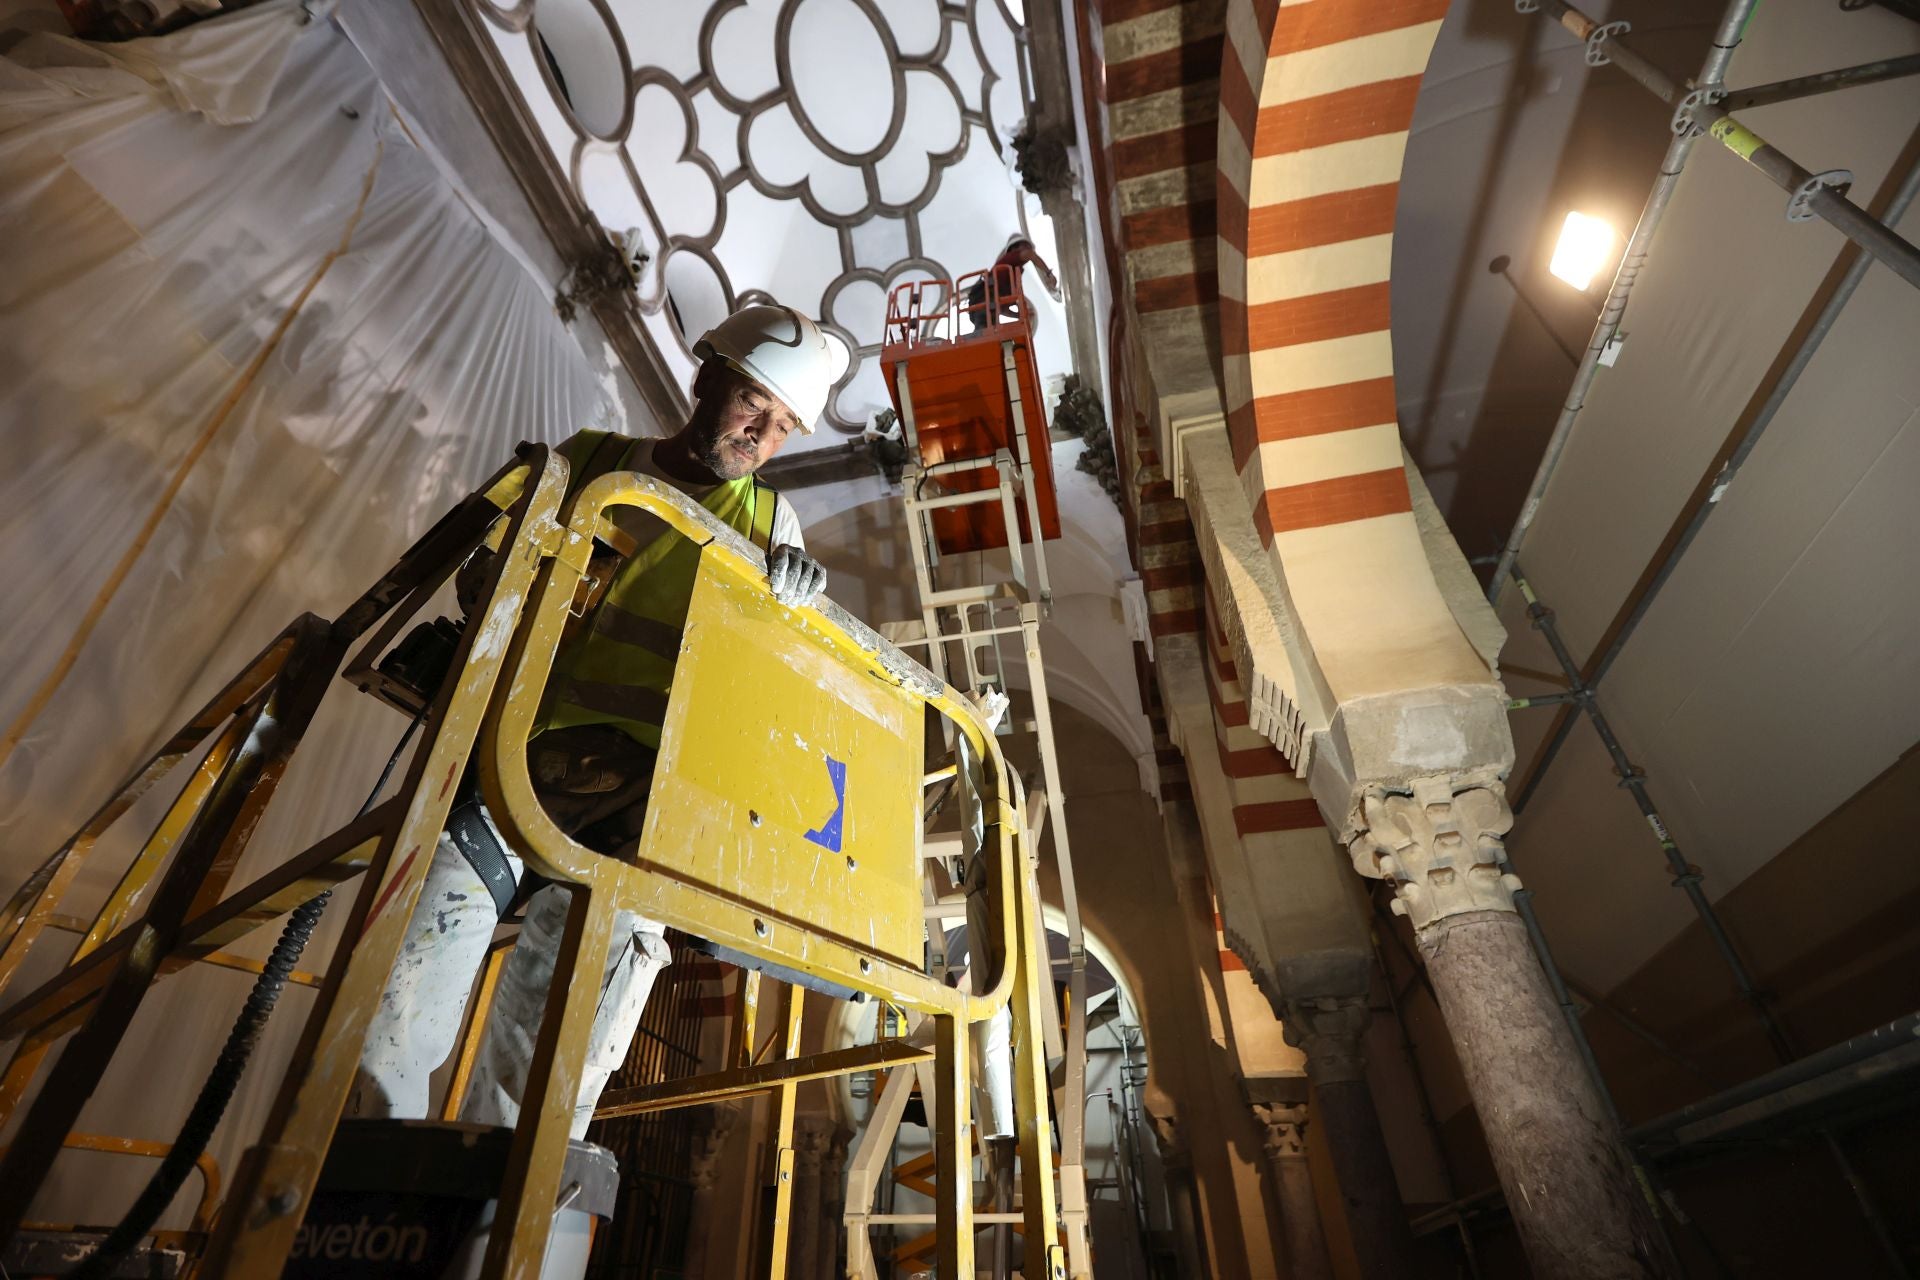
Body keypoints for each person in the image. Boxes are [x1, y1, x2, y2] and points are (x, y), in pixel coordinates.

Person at [349, 304, 834, 1138]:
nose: (762, 434)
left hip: (637, 816)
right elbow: (480, 586)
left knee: (543, 1065)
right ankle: (373, 1199)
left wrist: (795, 608)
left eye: (784, 426)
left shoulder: (771, 525)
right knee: (394, 1010)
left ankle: (486, 1237)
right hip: (509, 768)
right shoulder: (590, 461)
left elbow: (770, 690)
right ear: (707, 372)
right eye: (755, 401)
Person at [965, 232, 1062, 332]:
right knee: (985, 333)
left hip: (986, 309)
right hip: (984, 304)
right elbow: (1030, 255)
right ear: (1014, 248)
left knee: (987, 332)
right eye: (1025, 247)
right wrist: (1048, 274)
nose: (1028, 250)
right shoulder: (1010, 257)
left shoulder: (1012, 274)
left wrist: (1020, 315)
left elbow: (1003, 309)